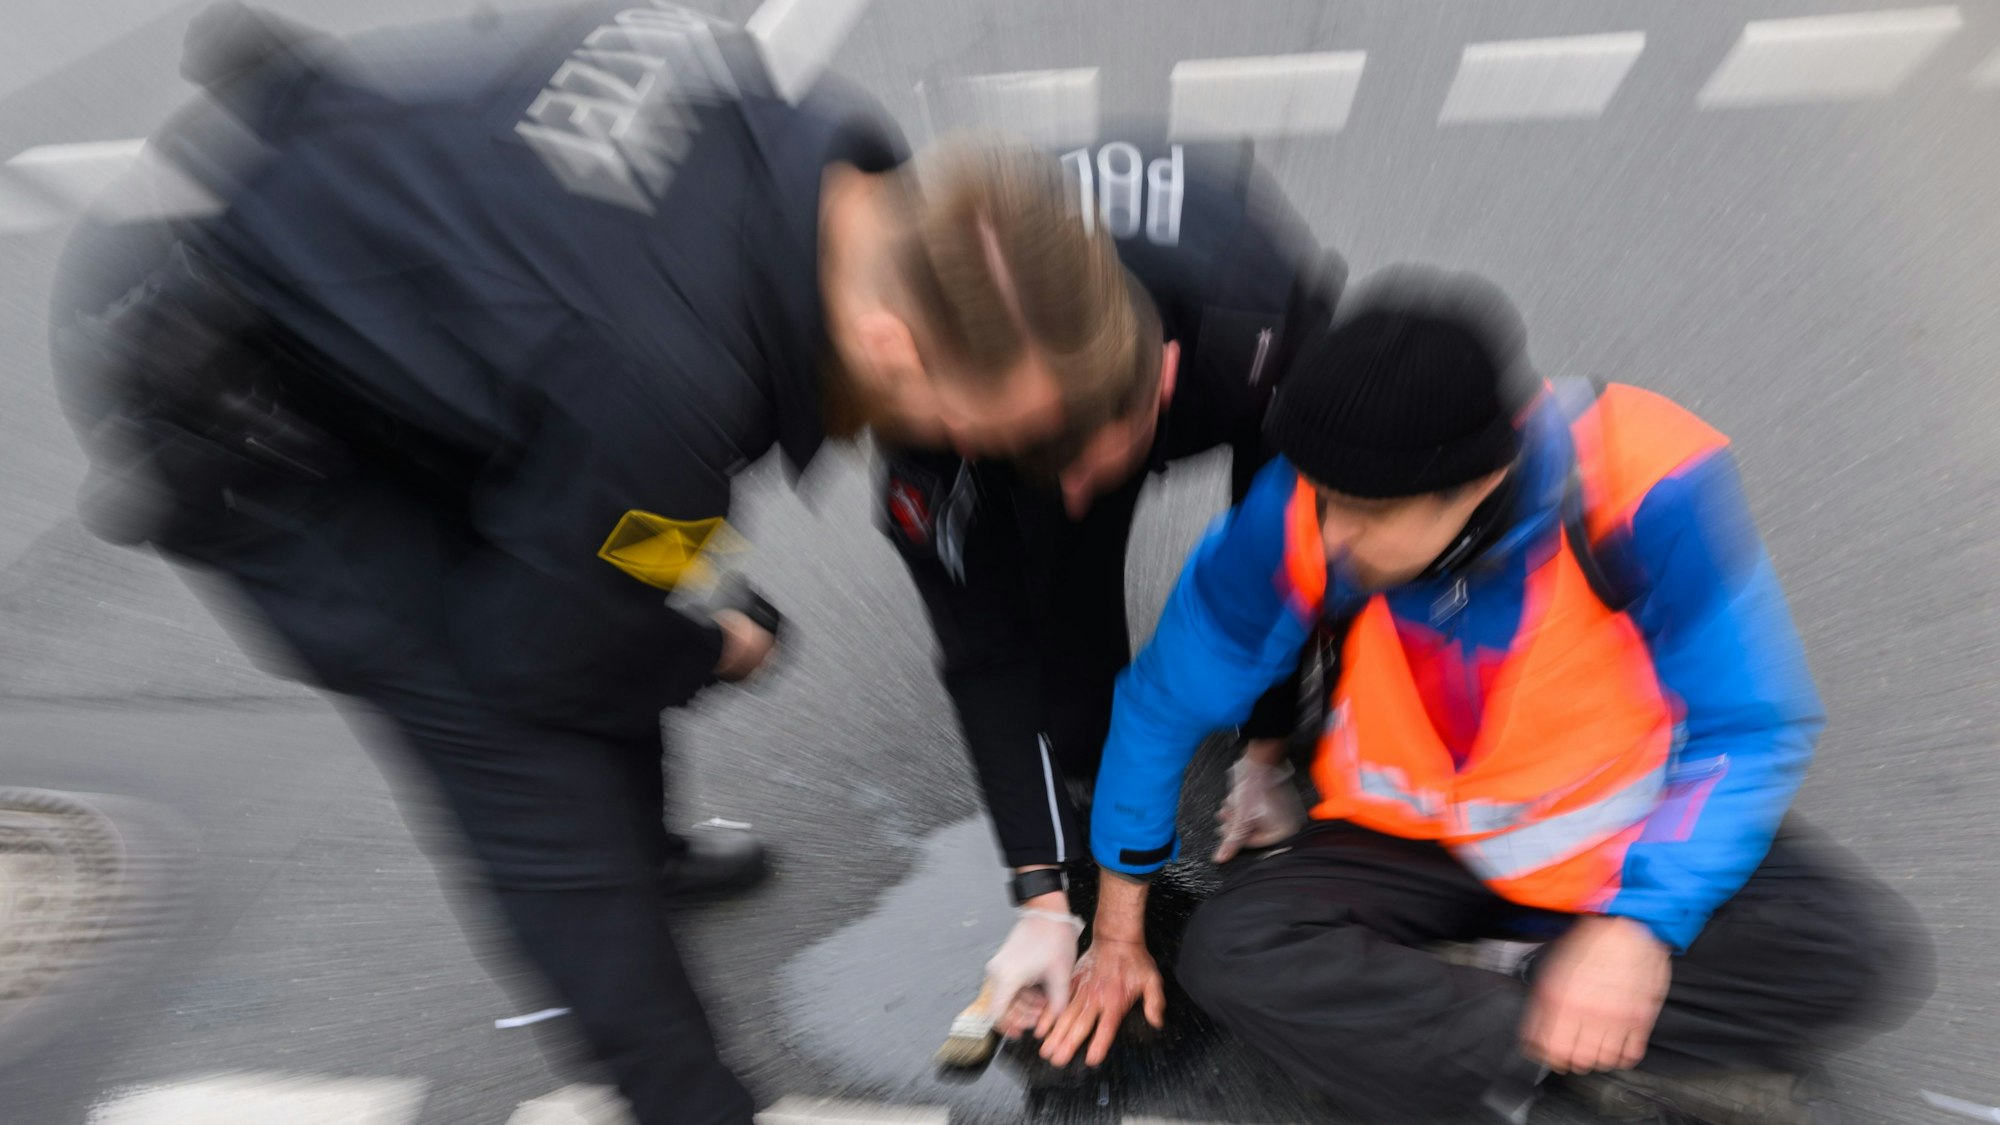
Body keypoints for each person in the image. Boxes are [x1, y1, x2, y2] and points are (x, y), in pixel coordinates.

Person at [48, 4, 1154, 1123]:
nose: (972, 456)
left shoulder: (828, 175)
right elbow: (537, 654)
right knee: (521, 749)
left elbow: (606, 498)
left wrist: (665, 606)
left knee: (603, 581)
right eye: (979, 428)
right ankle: (682, 1095)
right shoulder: (663, 386)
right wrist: (698, 650)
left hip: (391, 290)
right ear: (892, 345)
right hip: (231, 389)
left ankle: (648, 851)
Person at [1041, 269, 1932, 1123]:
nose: (1334, 533)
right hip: (1410, 841)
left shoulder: (1641, 478)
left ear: (1479, 481)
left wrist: (1637, 929)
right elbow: (1161, 704)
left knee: (1852, 951)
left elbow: (1748, 725)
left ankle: (1477, 1020)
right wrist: (1116, 935)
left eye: (1369, 514)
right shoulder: (1302, 506)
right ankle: (1570, 1027)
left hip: (1614, 835)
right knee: (1228, 950)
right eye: (1324, 499)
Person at [877, 135, 1344, 1037]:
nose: (1079, 494)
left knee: (1309, 558)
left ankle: (1275, 744)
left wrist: (1265, 751)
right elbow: (981, 651)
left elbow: (1284, 557)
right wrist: (1043, 896)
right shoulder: (926, 411)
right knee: (1063, 614)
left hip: (1232, 323)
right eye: (1050, 467)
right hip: (1046, 393)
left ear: (1161, 381)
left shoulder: (1250, 323)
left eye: (1095, 466)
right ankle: (1098, 781)